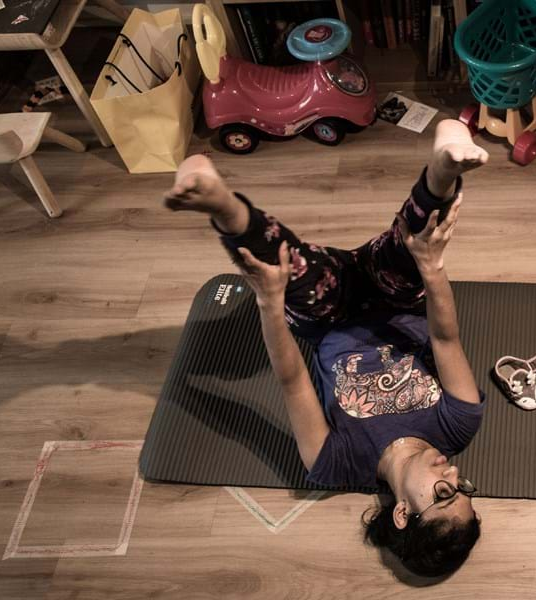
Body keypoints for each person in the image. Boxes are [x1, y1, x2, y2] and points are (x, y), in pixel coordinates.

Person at [163, 120, 489, 577]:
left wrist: (268, 303)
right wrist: (432, 267)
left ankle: (220, 203)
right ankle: (444, 166)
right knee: (409, 249)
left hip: (328, 315)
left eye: (442, 494)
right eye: (463, 486)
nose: (453, 475)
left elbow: (293, 382)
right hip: (393, 296)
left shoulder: (337, 465)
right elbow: (444, 337)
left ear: (402, 512)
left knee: (293, 272)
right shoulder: (458, 426)